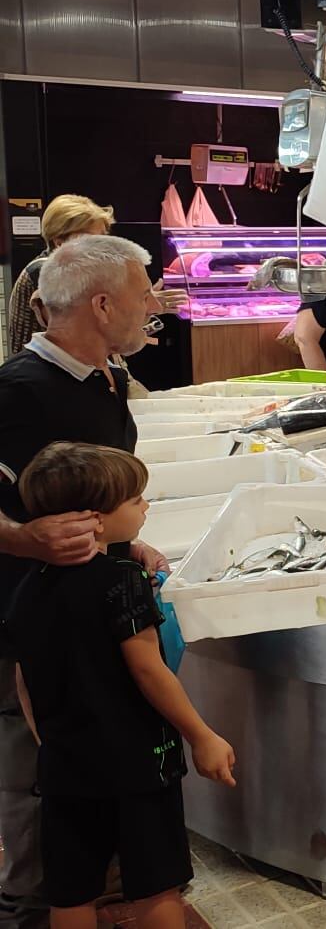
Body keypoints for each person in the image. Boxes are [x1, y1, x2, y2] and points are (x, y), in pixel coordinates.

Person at [0, 235, 172, 929]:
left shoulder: (105, 376)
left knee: (87, 769)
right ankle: (26, 908)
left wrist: (128, 541)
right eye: (143, 294)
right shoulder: (18, 389)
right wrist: (19, 537)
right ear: (102, 305)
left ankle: (90, 895)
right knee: (34, 770)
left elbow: (93, 491)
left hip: (91, 612)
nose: (154, 305)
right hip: (27, 620)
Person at [4, 444, 235, 929]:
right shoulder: (123, 581)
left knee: (72, 890)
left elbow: (23, 678)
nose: (146, 507)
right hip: (137, 764)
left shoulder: (28, 587)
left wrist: (49, 742)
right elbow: (149, 670)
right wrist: (202, 736)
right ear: (97, 521)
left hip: (65, 765)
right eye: (136, 500)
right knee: (156, 885)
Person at [6, 197, 184, 362]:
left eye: (103, 237)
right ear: (59, 242)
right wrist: (139, 306)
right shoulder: (51, 272)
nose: (103, 246)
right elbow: (87, 336)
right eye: (91, 239)